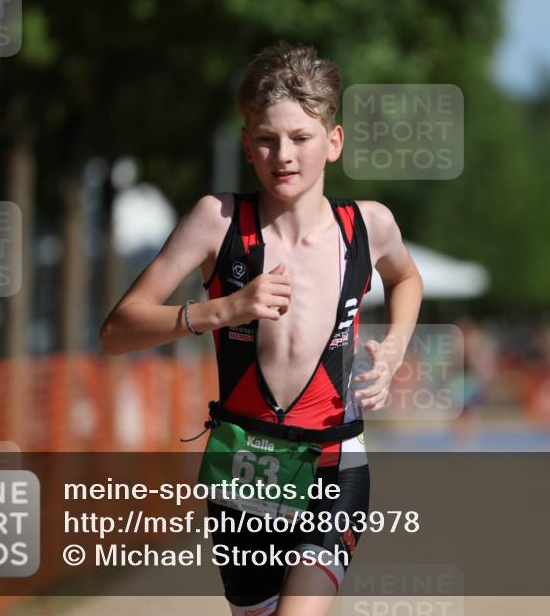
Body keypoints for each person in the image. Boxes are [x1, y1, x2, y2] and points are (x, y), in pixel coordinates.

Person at [99, 42, 423, 616]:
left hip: (334, 459)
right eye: (267, 138)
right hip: (243, 467)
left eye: (301, 137)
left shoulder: (368, 227)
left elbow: (406, 279)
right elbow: (118, 330)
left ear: (334, 141)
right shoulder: (217, 221)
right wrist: (222, 310)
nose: (284, 154)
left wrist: (394, 346)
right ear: (248, 146)